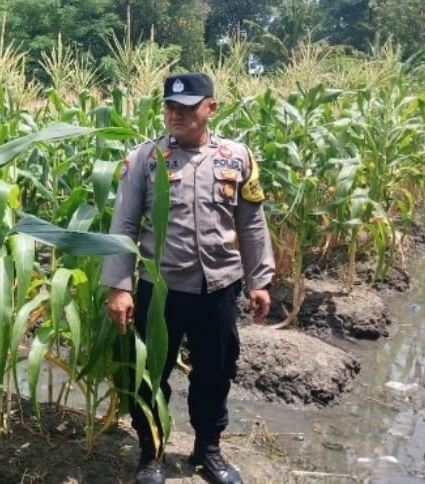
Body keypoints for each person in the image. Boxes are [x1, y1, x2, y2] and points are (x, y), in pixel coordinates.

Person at [101, 72, 275, 484]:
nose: (175, 114)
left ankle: (208, 450)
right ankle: (151, 454)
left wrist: (259, 280)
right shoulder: (145, 158)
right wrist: (119, 287)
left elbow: (251, 223)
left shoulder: (237, 158)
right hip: (160, 290)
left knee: (215, 371)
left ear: (211, 107)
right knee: (150, 374)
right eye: (169, 107)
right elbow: (123, 225)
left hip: (219, 288)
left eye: (186, 107)